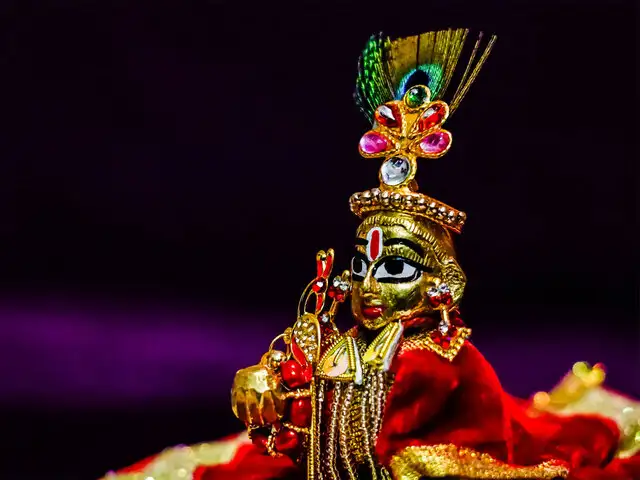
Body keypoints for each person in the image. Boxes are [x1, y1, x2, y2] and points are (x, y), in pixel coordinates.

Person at [101, 28, 640, 480]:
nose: (368, 285)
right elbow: (309, 389)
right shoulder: (354, 342)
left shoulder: (436, 363)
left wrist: (283, 399)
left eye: (395, 268)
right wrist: (264, 379)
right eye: (360, 265)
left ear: (444, 284)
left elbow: (355, 426)